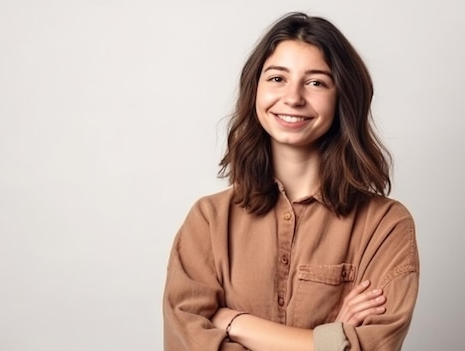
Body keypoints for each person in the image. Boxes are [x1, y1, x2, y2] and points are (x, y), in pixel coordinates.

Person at [163, 12, 419, 351]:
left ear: (343, 97)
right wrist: (329, 339)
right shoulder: (209, 220)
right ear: (255, 89)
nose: (294, 97)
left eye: (316, 82)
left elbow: (374, 346)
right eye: (277, 78)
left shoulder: (385, 225)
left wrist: (236, 323)